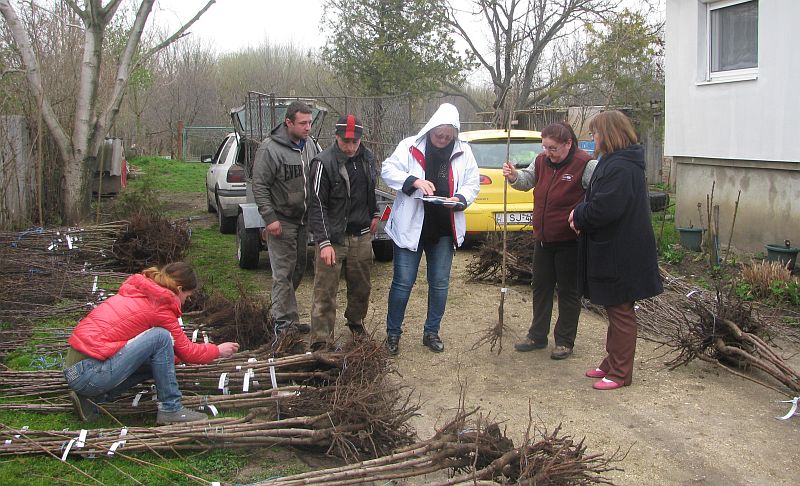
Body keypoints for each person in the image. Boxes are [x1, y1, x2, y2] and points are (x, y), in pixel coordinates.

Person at [63, 263, 240, 424]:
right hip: (89, 374)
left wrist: (170, 360)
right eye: (187, 295)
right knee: (161, 337)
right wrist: (217, 350)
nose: (187, 301)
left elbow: (150, 353)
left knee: (154, 360)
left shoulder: (142, 292)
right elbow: (188, 352)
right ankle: (171, 408)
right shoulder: (160, 306)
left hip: (77, 370)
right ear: (179, 289)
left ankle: (93, 399)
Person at [568, 110, 663, 390]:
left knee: (621, 310)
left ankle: (621, 373)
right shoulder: (614, 162)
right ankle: (611, 362)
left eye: (595, 132)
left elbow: (605, 208)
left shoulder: (621, 167)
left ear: (608, 134)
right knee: (615, 308)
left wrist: (579, 214)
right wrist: (582, 212)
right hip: (615, 248)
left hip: (622, 252)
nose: (592, 137)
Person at [381, 103, 480, 355]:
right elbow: (387, 170)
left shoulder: (463, 152)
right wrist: (413, 181)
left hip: (444, 228)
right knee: (403, 283)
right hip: (411, 227)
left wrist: (460, 198)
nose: (443, 140)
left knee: (439, 284)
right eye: (439, 135)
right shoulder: (409, 146)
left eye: (448, 136)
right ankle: (393, 334)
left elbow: (472, 183)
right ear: (431, 128)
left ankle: (431, 332)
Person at [503, 122, 596, 360]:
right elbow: (527, 181)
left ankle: (564, 341)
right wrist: (514, 176)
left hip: (570, 241)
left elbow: (598, 197)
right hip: (543, 239)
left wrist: (584, 219)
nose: (548, 152)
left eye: (553, 148)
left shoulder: (586, 165)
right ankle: (537, 336)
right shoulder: (541, 161)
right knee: (541, 288)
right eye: (545, 147)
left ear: (568, 144)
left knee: (568, 292)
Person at [308, 114, 380, 349]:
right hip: (334, 238)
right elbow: (317, 205)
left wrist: (375, 213)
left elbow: (370, 189)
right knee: (325, 291)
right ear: (336, 137)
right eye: (345, 142)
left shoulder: (368, 158)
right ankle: (321, 339)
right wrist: (324, 242)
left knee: (361, 287)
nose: (350, 147)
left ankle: (356, 323)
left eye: (354, 142)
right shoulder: (323, 163)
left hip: (361, 235)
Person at [252, 101, 321, 334]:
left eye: (310, 122)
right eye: (303, 123)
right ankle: (282, 325)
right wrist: (269, 218)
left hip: (303, 220)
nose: (308, 127)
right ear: (288, 122)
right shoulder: (270, 149)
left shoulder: (310, 145)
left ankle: (289, 317)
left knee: (298, 268)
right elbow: (260, 186)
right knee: (283, 273)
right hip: (282, 220)